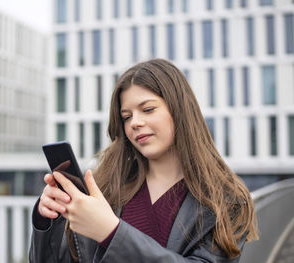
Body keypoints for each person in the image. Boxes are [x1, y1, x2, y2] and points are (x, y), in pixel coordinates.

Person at [29, 59, 258, 262]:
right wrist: (47, 220)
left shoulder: (225, 200)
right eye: (126, 117)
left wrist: (111, 232)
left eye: (147, 109)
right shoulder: (104, 187)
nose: (134, 123)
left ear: (179, 110)